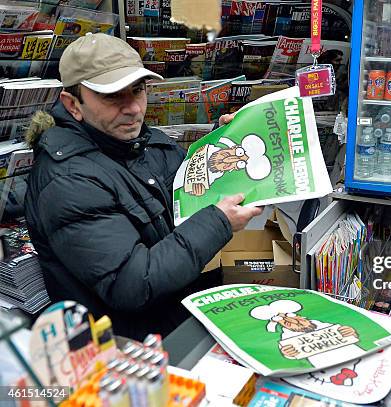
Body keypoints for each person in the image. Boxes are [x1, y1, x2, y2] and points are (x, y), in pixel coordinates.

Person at [24, 33, 263, 340]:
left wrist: (220, 145)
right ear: (73, 105)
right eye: (112, 96)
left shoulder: (136, 143)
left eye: (138, 90)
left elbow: (185, 184)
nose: (133, 108)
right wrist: (218, 222)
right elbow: (134, 283)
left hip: (180, 323)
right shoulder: (66, 181)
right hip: (130, 355)